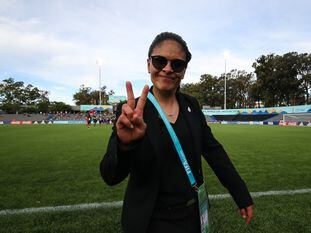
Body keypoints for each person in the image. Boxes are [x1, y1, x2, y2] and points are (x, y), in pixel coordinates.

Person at [100, 32, 253, 233]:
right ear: (149, 64)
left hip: (192, 217)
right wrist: (125, 144)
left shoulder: (191, 105)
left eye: (177, 64)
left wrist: (240, 192)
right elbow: (110, 176)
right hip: (150, 221)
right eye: (159, 61)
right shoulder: (131, 110)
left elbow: (214, 152)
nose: (168, 69)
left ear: (184, 70)